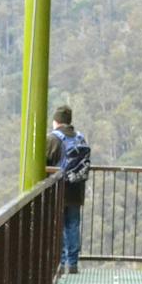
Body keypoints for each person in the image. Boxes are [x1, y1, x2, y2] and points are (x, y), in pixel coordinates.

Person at [46, 105, 89, 273]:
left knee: (59, 224)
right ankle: (73, 263)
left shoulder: (52, 139)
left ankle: (61, 262)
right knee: (73, 224)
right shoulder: (80, 138)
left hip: (59, 189)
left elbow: (45, 161)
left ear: (56, 121)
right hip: (76, 188)